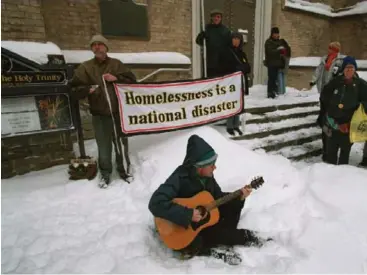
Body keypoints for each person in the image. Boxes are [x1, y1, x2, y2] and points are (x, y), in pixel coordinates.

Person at [148, 134, 266, 265]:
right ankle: (231, 242)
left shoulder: (208, 177)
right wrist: (188, 214)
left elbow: (218, 198)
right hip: (179, 228)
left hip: (201, 225)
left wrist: (240, 196)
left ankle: (240, 238)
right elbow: (155, 203)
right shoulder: (179, 178)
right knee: (205, 239)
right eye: (211, 165)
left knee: (228, 208)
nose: (214, 168)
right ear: (199, 167)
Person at [70, 34, 136, 188]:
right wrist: (87, 90)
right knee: (104, 147)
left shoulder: (116, 64)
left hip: (117, 114)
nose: (97, 47)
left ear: (106, 47)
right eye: (94, 45)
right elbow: (73, 89)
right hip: (99, 115)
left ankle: (124, 171)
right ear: (92, 49)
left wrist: (116, 78)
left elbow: (132, 81)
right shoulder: (85, 68)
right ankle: (105, 174)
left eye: (100, 44)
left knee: (120, 144)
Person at [320, 56, 367, 165]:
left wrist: (359, 107)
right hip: (334, 124)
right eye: (347, 68)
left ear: (355, 69)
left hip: (349, 125)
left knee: (344, 154)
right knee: (331, 153)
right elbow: (325, 99)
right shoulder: (335, 82)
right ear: (343, 69)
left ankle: (341, 177)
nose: (349, 70)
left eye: (351, 68)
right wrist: (333, 116)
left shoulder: (361, 84)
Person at [313, 42, 345, 162]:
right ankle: (325, 148)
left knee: (329, 121)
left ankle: (329, 149)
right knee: (323, 119)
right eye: (329, 48)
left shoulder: (340, 61)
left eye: (331, 48)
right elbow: (318, 71)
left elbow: (339, 77)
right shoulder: (324, 59)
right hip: (324, 93)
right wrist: (313, 80)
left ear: (336, 49)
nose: (329, 50)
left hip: (333, 95)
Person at [218, 31, 251, 136]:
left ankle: (236, 125)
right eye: (234, 38)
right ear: (231, 40)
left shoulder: (242, 54)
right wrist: (236, 69)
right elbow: (222, 67)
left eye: (238, 39)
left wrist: (242, 68)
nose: (236, 41)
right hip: (230, 83)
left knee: (238, 105)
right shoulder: (226, 52)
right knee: (231, 104)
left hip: (240, 83)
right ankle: (229, 126)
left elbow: (248, 67)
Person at [196, 9, 232, 78]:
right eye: (214, 17)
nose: (216, 18)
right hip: (210, 62)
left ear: (221, 18)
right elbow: (198, 41)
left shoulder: (225, 31)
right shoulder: (207, 29)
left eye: (218, 17)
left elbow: (229, 46)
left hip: (222, 62)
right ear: (211, 18)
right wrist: (202, 35)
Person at [264, 27, 287, 99]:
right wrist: (279, 50)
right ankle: (270, 93)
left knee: (276, 79)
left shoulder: (279, 41)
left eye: (277, 33)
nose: (276, 35)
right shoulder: (268, 42)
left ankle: (275, 91)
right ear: (272, 34)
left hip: (278, 64)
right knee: (271, 78)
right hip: (271, 64)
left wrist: (283, 51)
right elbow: (270, 52)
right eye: (275, 33)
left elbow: (285, 50)